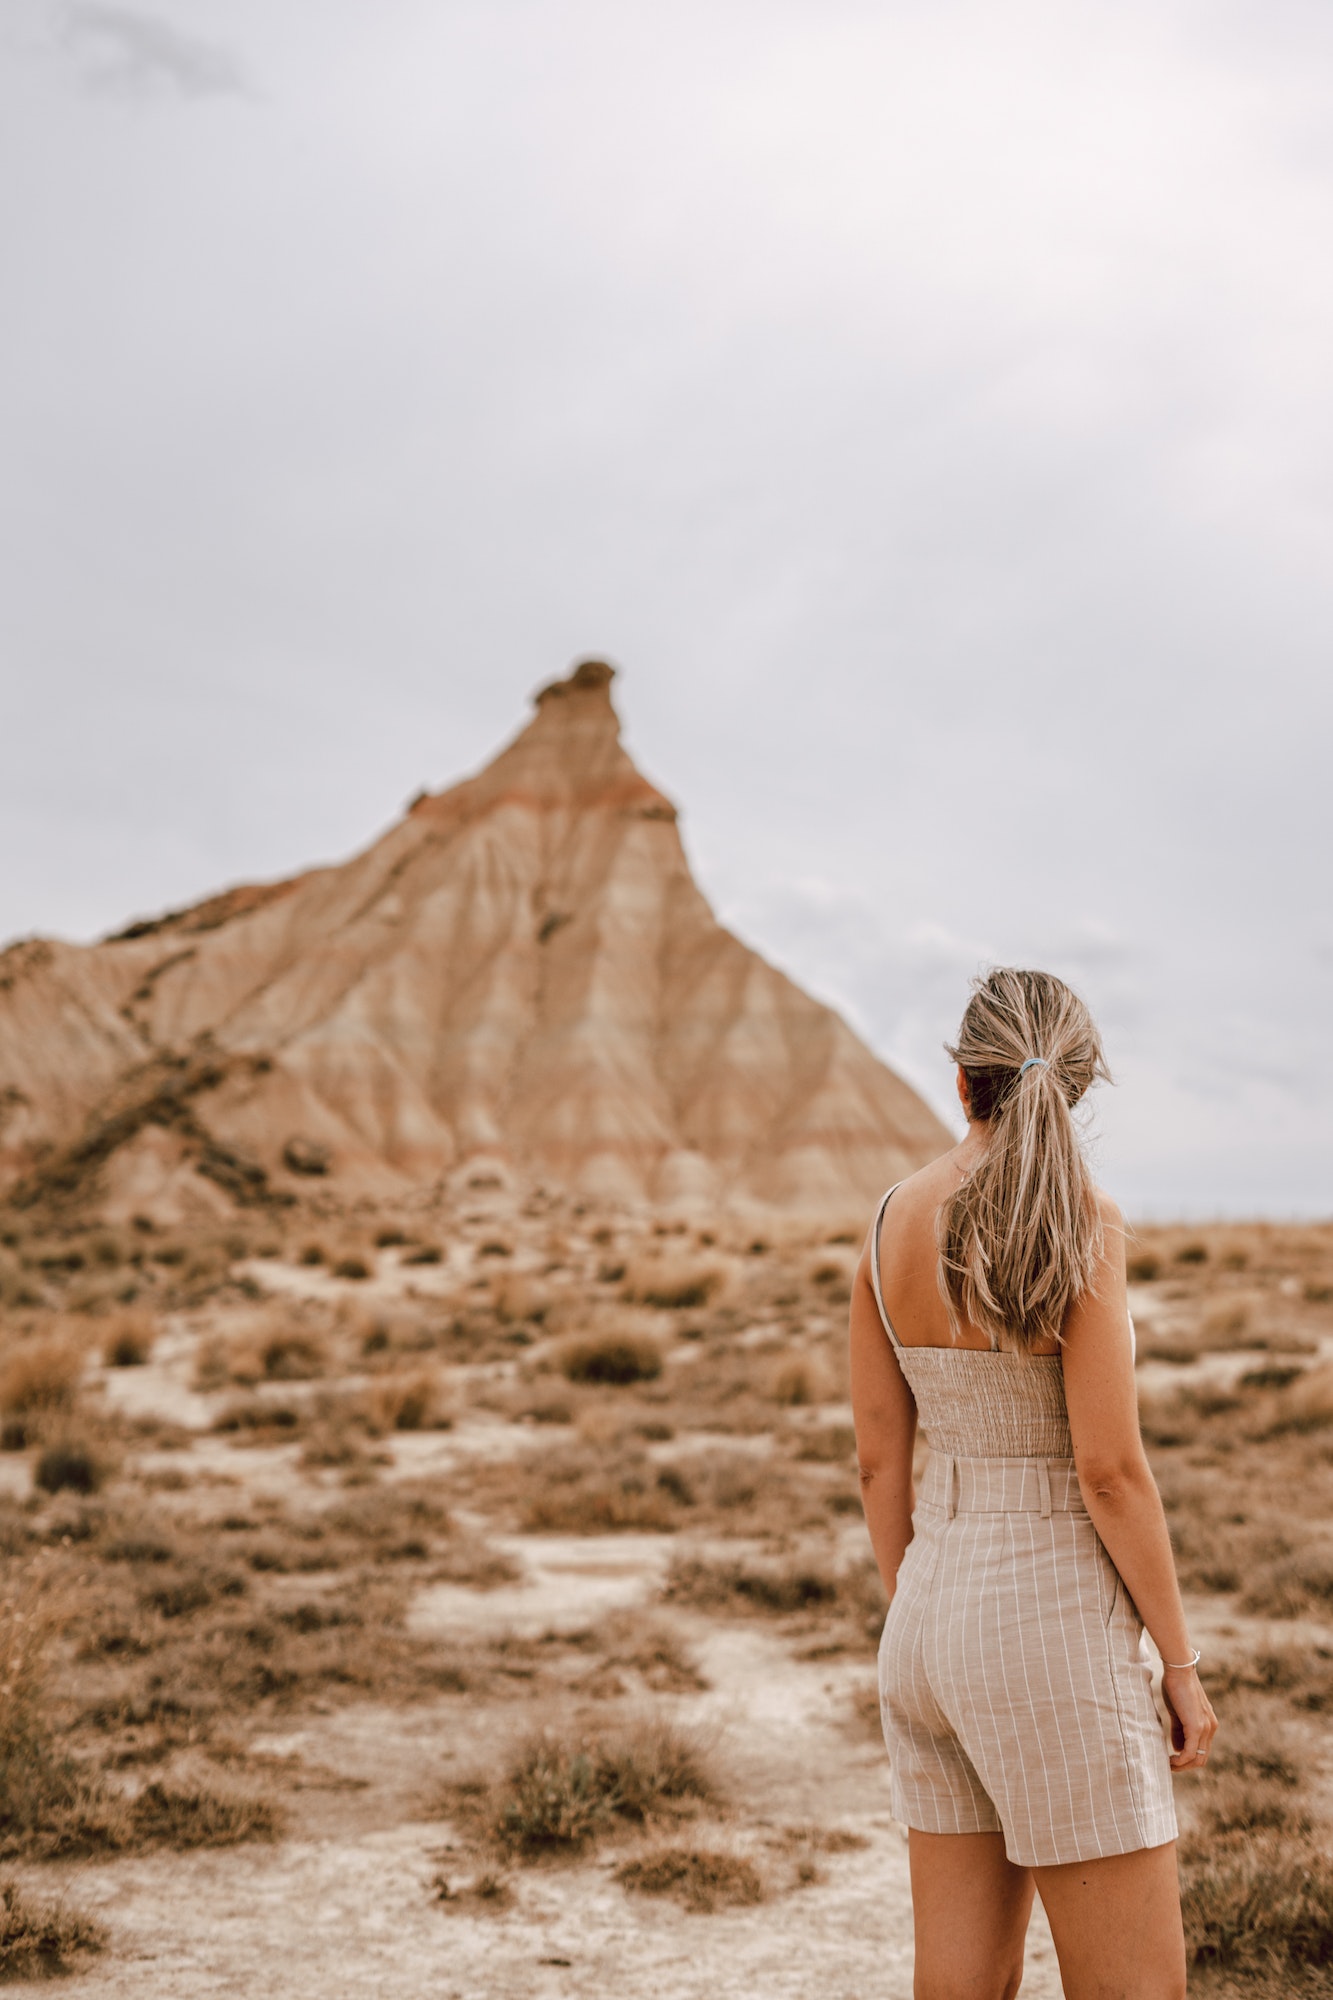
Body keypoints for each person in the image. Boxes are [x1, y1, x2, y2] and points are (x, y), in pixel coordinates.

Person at [850, 968, 1216, 2000]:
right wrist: (1178, 1665)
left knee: (959, 1983)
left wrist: (919, 1615)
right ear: (1076, 1088)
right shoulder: (1083, 1222)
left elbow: (878, 1460)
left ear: (963, 1083)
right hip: (1049, 1623)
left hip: (924, 1616)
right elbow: (1107, 1472)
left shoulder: (886, 1219)